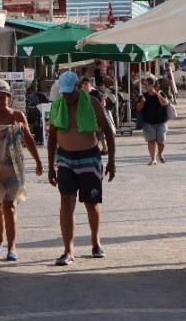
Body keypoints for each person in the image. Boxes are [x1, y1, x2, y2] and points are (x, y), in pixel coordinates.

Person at [47, 71, 116, 266]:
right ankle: (68, 250)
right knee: (66, 203)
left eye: (70, 92)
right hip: (65, 159)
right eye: (64, 93)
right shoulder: (57, 105)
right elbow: (52, 137)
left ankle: (96, 242)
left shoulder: (92, 102)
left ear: (78, 87)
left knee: (91, 204)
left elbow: (108, 132)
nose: (67, 96)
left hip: (89, 157)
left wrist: (111, 160)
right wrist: (51, 166)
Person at [0, 80, 43, 261]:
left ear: (9, 98)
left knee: (9, 206)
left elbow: (29, 140)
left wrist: (38, 161)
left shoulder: (17, 116)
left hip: (12, 168)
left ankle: (12, 246)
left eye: (2, 96)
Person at [136, 76, 169, 165]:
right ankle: (153, 159)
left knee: (161, 142)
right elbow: (138, 109)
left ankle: (160, 154)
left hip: (161, 121)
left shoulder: (161, 93)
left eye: (146, 85)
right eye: (144, 85)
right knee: (151, 141)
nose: (145, 86)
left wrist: (157, 94)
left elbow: (164, 103)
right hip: (148, 122)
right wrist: (142, 102)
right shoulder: (142, 96)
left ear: (152, 85)